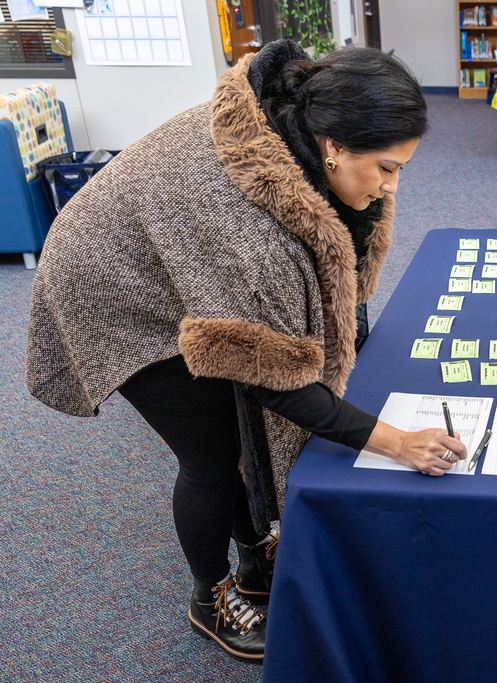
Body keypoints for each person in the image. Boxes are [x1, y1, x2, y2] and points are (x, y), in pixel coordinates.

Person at [24, 41, 467, 665]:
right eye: (387, 169)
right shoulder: (247, 229)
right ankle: (212, 595)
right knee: (211, 454)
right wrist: (396, 442)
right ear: (332, 147)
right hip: (111, 285)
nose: (393, 188)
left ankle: (257, 554)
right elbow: (276, 383)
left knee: (234, 427)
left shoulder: (301, 133)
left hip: (169, 246)